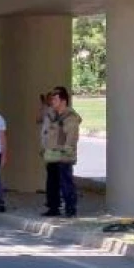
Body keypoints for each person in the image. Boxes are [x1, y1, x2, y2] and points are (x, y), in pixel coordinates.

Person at [43, 86, 82, 217]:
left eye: (55, 99)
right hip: (51, 155)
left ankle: (70, 208)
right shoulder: (52, 114)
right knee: (51, 183)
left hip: (64, 155)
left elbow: (72, 137)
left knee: (66, 182)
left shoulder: (70, 117)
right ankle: (53, 207)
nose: (52, 101)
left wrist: (67, 150)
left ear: (63, 100)